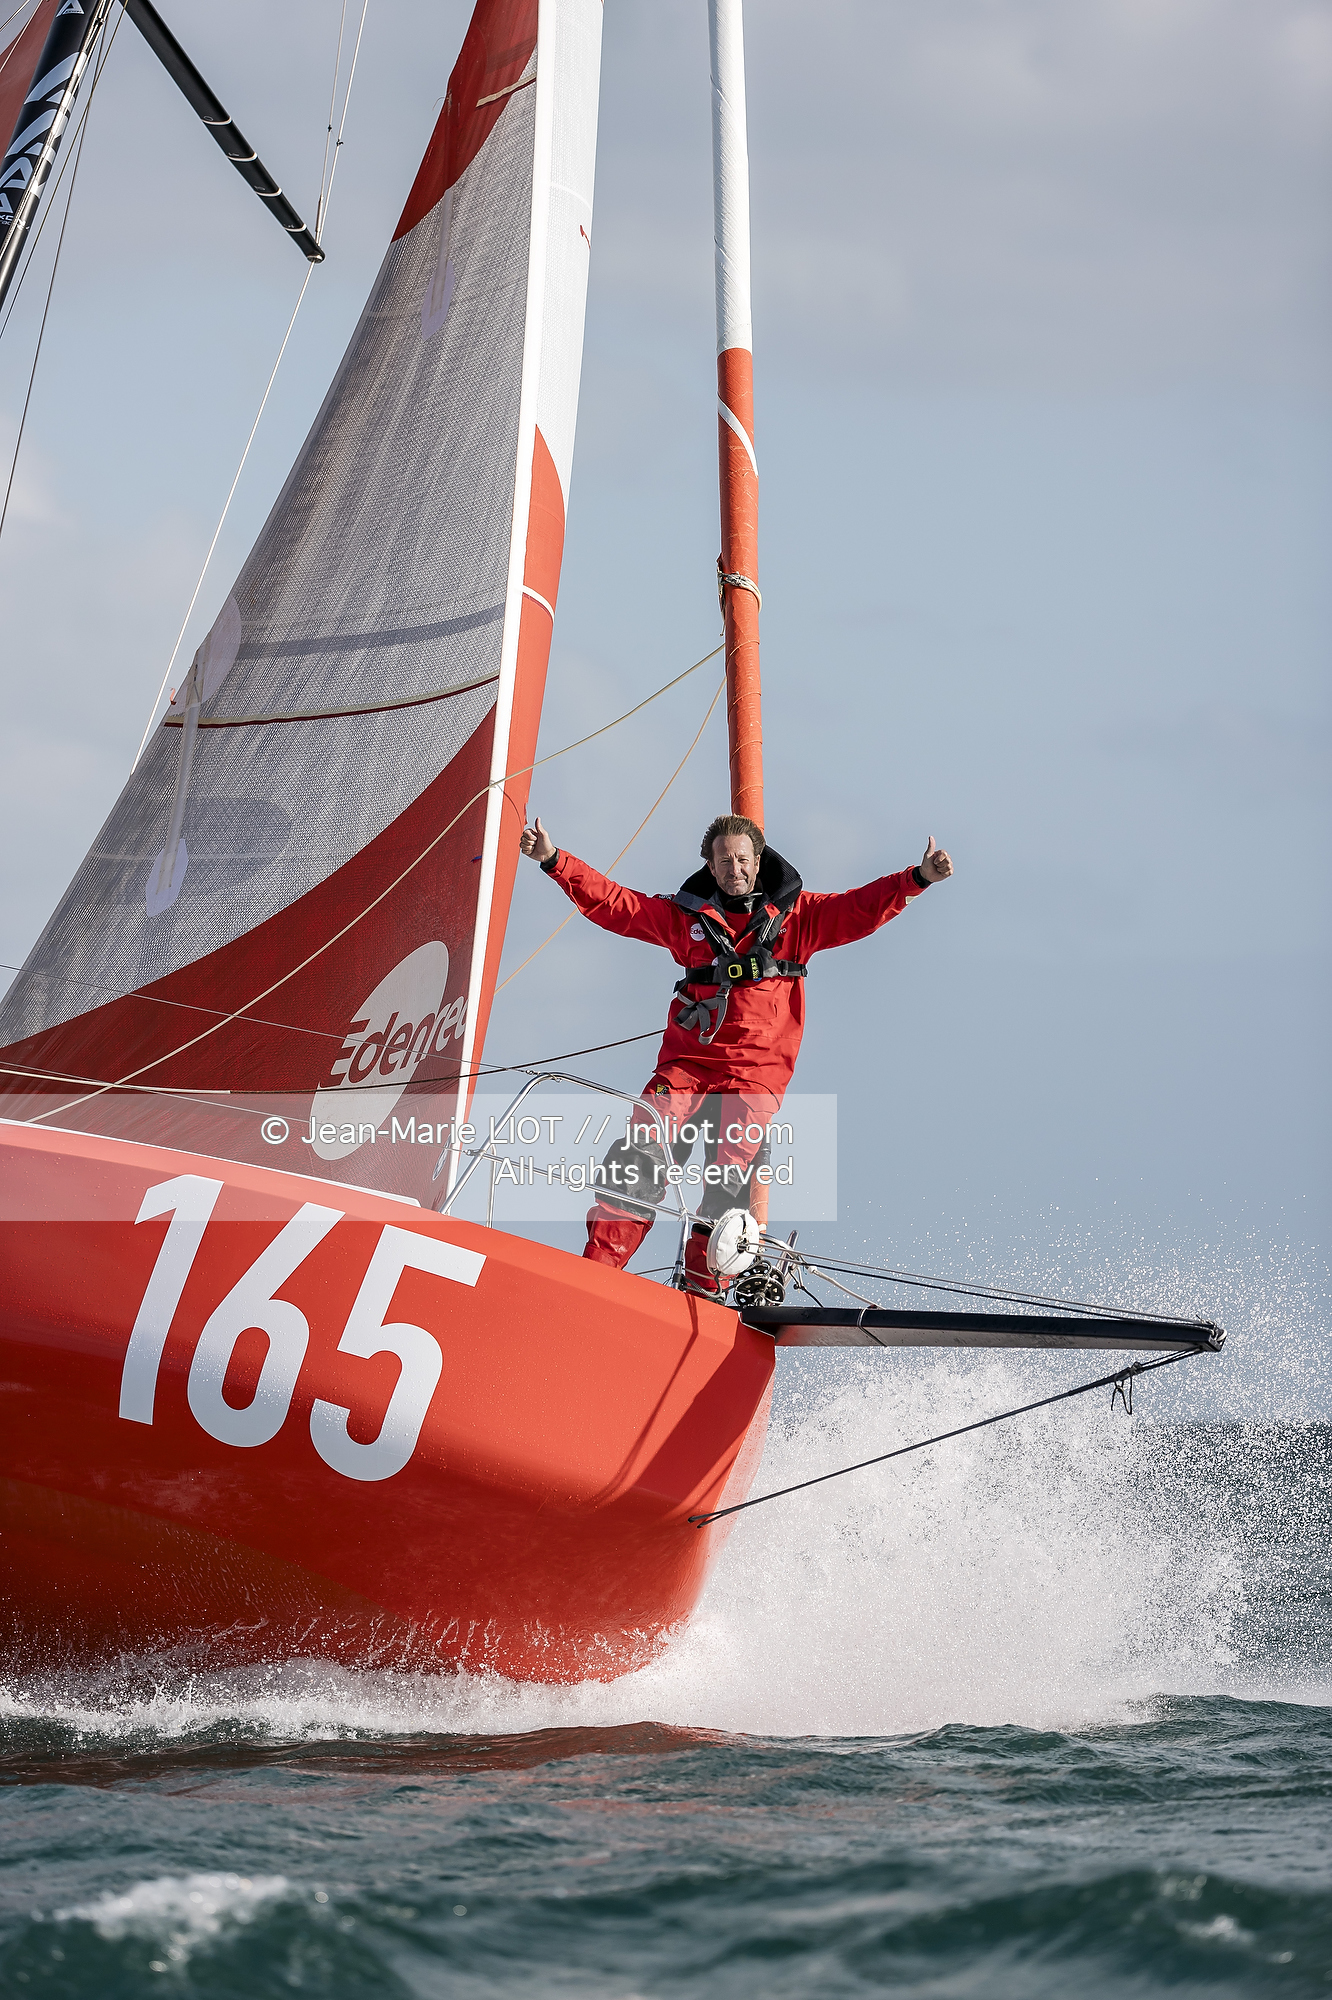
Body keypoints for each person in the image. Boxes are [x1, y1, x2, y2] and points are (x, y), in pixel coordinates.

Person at [519, 812, 953, 1292]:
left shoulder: (800, 917)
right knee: (638, 1154)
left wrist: (917, 879)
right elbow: (621, 906)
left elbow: (859, 908)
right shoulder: (688, 920)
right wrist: (554, 861)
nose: (734, 867)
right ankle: (595, 1275)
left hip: (755, 1077)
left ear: (758, 860)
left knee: (730, 1186)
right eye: (723, 859)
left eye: (742, 858)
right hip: (687, 1068)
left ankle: (704, 1292)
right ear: (709, 864)